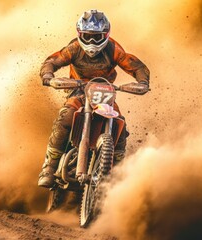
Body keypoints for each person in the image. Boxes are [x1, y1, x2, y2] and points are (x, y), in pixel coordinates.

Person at [38, 9, 150, 188]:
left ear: (105, 35)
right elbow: (52, 61)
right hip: (78, 90)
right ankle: (49, 168)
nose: (91, 41)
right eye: (87, 36)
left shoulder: (113, 49)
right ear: (80, 34)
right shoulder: (74, 48)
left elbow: (137, 66)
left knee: (120, 124)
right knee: (65, 117)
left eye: (97, 37)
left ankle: (116, 174)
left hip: (105, 92)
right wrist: (48, 76)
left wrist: (143, 82)